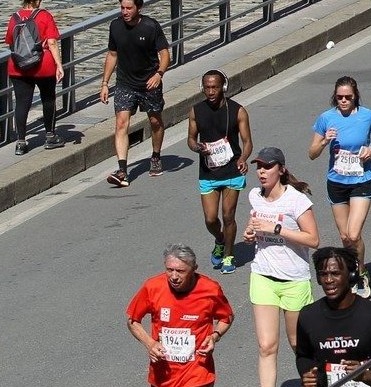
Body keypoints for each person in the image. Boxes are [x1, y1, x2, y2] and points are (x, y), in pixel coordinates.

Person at [244, 147, 321, 387]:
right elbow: (254, 224)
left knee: (299, 344)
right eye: (259, 167)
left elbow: (314, 240)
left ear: (281, 169)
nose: (262, 172)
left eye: (267, 167)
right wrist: (250, 233)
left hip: (294, 280)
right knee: (266, 346)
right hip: (263, 276)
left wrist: (276, 229)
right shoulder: (255, 196)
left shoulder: (297, 200)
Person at [308, 78, 371, 299]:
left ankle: (360, 272)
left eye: (348, 97)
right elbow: (312, 153)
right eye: (340, 97)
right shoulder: (326, 118)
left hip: (361, 179)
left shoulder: (368, 115)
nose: (343, 101)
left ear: (356, 96)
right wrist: (324, 141)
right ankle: (353, 269)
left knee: (354, 234)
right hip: (336, 182)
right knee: (345, 236)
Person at [126, 244, 234, 387]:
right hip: (163, 376)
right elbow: (132, 320)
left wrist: (215, 336)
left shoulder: (210, 290)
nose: (174, 277)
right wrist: (150, 344)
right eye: (170, 270)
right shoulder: (153, 287)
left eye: (181, 271)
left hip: (198, 374)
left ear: (194, 269)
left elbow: (226, 317)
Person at [294, 247, 371, 387]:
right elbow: (304, 356)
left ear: (351, 275)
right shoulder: (308, 315)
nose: (328, 280)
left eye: (335, 273)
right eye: (323, 274)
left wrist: (365, 375)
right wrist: (308, 375)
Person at [100, 0, 170, 187]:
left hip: (149, 82)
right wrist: (105, 83)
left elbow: (165, 54)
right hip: (125, 83)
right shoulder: (115, 26)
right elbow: (112, 55)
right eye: (122, 7)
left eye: (128, 8)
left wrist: (159, 74)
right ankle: (122, 170)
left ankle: (155, 156)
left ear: (138, 8)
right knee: (121, 123)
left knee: (155, 122)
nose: (124, 12)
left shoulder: (151, 26)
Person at [187, 70, 252, 275]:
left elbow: (247, 142)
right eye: (207, 87)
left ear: (223, 87)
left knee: (228, 215)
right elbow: (190, 139)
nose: (211, 91)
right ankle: (220, 240)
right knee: (211, 219)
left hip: (232, 169)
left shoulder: (238, 111)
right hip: (208, 172)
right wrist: (198, 147)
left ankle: (228, 256)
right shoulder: (196, 111)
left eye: (215, 87)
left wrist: (243, 158)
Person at [4, 0, 63, 153]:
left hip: (18, 66)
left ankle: (21, 143)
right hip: (43, 65)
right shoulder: (44, 16)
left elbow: (10, 42)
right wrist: (59, 65)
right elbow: (51, 42)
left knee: (22, 103)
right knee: (48, 99)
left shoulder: (14, 18)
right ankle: (50, 136)